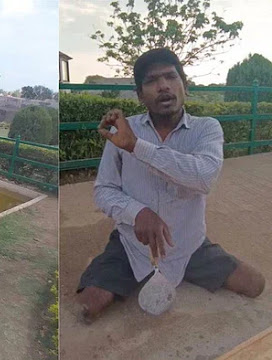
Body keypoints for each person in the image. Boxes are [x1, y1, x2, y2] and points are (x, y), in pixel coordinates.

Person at [77, 48, 265, 323]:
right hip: (133, 244)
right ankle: (122, 265)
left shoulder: (207, 129)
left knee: (254, 284)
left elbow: (204, 178)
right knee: (89, 304)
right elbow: (103, 190)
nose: (163, 85)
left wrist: (136, 147)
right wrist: (137, 212)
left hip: (188, 244)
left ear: (184, 86)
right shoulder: (122, 132)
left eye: (170, 76)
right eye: (152, 80)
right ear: (141, 95)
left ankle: (177, 268)